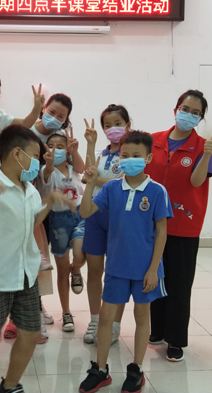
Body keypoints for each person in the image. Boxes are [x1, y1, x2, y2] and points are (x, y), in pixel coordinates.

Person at [0, 125, 75, 393]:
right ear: (18, 154)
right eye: (36, 155)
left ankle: (8, 386)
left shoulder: (29, 189)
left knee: (31, 333)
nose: (38, 162)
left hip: (25, 275)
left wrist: (50, 200)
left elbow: (30, 223)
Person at [78, 130, 173, 393]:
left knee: (142, 317)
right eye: (125, 155)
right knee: (106, 318)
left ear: (148, 158)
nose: (129, 160)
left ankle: (136, 369)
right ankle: (100, 369)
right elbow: (85, 211)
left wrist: (153, 269)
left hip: (145, 270)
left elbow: (162, 232)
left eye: (136, 155)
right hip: (117, 267)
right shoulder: (111, 188)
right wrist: (90, 183)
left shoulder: (157, 191)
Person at [147, 90, 212, 362]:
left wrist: (206, 155)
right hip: (152, 223)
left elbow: (197, 182)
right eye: (185, 109)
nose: (189, 115)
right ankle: (157, 330)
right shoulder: (153, 141)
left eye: (195, 112)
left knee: (179, 283)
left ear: (200, 118)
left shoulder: (203, 146)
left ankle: (175, 340)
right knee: (154, 278)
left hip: (184, 225)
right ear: (176, 109)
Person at [81, 106, 130, 345]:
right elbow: (87, 174)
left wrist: (95, 180)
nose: (113, 129)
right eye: (108, 125)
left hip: (119, 218)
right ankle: (95, 320)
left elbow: (120, 182)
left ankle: (114, 324)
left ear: (128, 125)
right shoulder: (102, 153)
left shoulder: (131, 155)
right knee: (94, 271)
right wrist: (90, 145)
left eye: (118, 123)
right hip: (95, 216)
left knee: (116, 273)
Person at [38, 132, 86, 333]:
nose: (55, 149)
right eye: (51, 145)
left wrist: (74, 152)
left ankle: (77, 269)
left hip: (79, 215)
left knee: (81, 255)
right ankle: (66, 312)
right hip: (58, 220)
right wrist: (49, 162)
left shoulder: (73, 169)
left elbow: (82, 168)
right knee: (62, 268)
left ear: (67, 150)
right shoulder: (45, 170)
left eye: (60, 146)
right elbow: (48, 172)